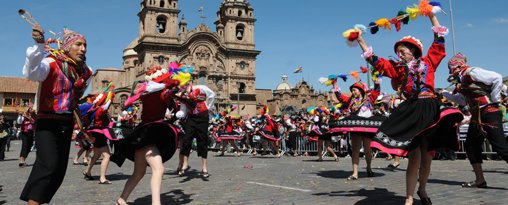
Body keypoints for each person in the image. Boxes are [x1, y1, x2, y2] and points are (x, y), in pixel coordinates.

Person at [356, 13, 463, 205]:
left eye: (403, 50)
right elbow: (376, 61)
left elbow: (439, 40)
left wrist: (431, 16)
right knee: (414, 156)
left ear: (414, 51)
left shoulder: (429, 62)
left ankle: (422, 190)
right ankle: (409, 198)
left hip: (430, 109)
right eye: (398, 51)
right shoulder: (398, 68)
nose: (399, 54)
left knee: (427, 158)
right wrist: (360, 40)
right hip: (412, 111)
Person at [19, 24, 92, 204]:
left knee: (58, 170)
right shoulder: (51, 63)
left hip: (66, 122)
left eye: (85, 45)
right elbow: (32, 72)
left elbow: (75, 98)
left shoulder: (86, 71)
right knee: (49, 164)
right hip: (47, 121)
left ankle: (36, 200)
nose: (82, 49)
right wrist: (38, 45)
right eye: (78, 44)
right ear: (67, 46)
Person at [114, 66, 180, 205]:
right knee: (158, 169)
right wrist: (175, 90)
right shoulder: (162, 94)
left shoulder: (146, 93)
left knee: (139, 173)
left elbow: (129, 102)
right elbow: (174, 107)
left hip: (142, 133)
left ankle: (121, 199)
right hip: (150, 133)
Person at [443, 53, 508, 188]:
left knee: (500, 146)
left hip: (489, 112)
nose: (450, 71)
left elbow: (496, 78)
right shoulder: (461, 81)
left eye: (451, 68)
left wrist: (495, 99)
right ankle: (480, 180)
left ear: (457, 66)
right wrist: (445, 94)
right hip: (476, 115)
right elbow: (462, 100)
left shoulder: (472, 72)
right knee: (471, 145)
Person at [329, 79, 384, 180]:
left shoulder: (369, 98)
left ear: (360, 90)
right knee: (355, 150)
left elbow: (376, 92)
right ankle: (355, 173)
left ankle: (369, 167)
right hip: (356, 127)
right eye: (352, 91)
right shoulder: (351, 100)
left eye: (355, 90)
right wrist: (335, 85)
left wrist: (376, 82)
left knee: (368, 150)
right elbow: (341, 98)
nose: (353, 92)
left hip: (367, 128)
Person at [177, 84, 215, 178]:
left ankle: (204, 167)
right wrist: (178, 115)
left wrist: (208, 107)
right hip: (191, 118)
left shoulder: (201, 88)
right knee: (186, 140)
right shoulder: (182, 95)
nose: (182, 88)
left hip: (203, 118)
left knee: (202, 141)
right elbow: (183, 110)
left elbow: (212, 95)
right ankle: (185, 164)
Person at [81, 86, 117, 184]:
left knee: (96, 155)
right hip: (99, 133)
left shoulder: (94, 109)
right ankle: (102, 178)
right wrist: (111, 94)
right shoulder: (101, 109)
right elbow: (108, 102)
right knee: (107, 155)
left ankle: (87, 172)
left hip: (94, 133)